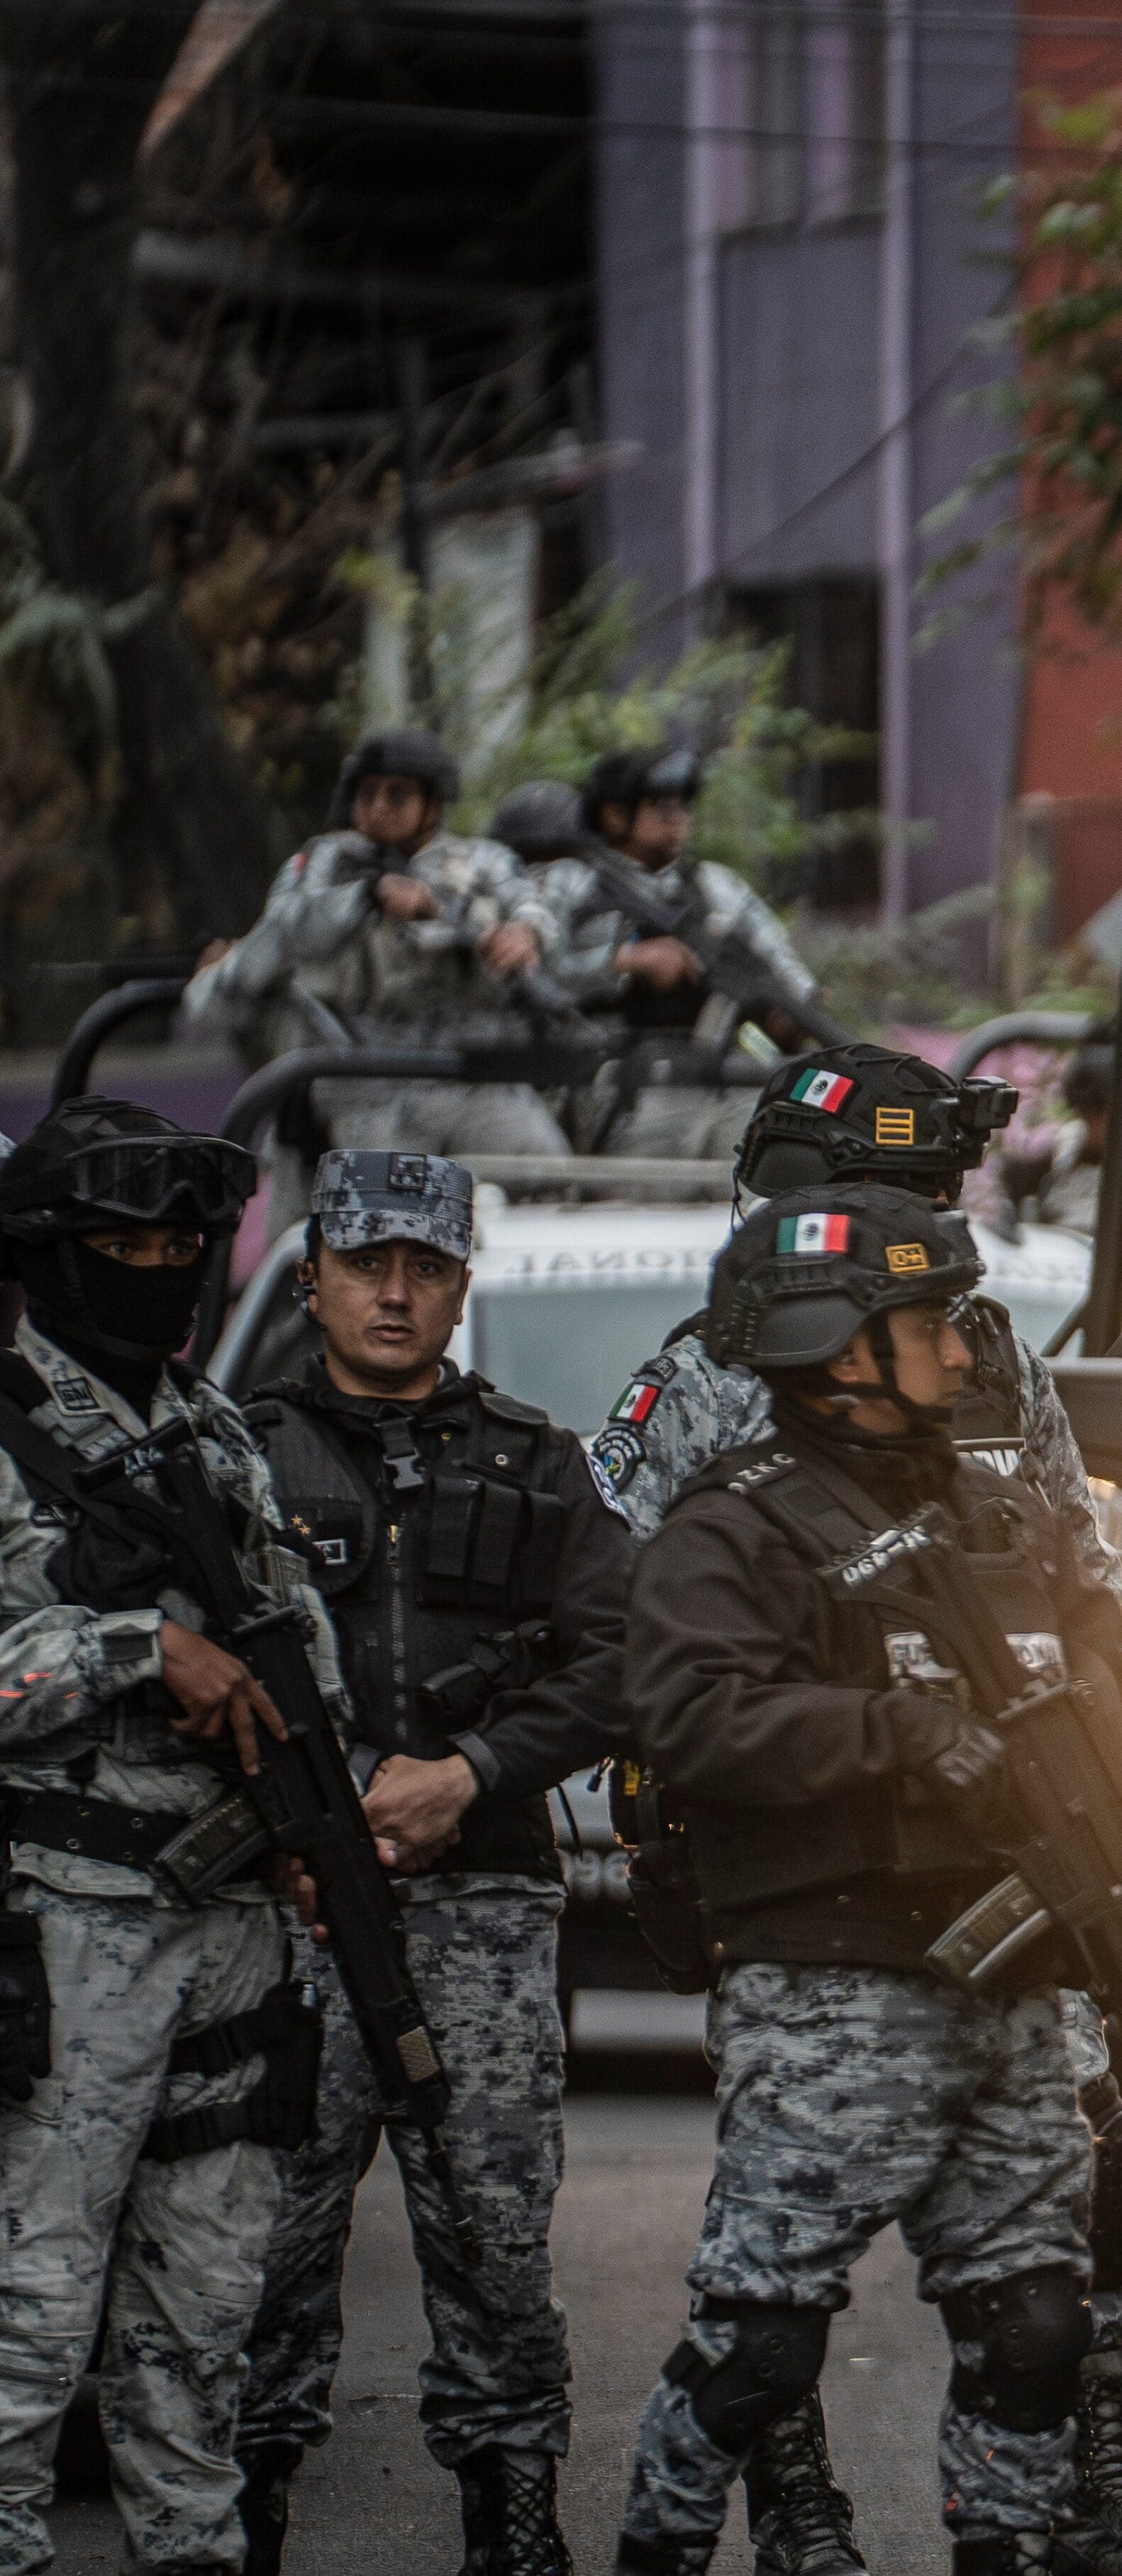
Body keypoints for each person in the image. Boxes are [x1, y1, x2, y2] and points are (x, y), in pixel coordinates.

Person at [588, 1052, 1122, 2576]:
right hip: (819, 1894)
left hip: (1012, 1874)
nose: (934, 1245)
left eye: (940, 1205)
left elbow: (1088, 1577)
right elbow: (628, 1638)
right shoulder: (724, 1374)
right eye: (902, 1206)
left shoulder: (984, 1353)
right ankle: (793, 2514)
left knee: (1083, 2187)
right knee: (781, 2273)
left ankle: (1088, 2495)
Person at [232, 1153, 631, 2576]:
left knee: (496, 2243)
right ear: (313, 1276)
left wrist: (477, 1773)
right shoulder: (234, 1453)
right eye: (367, 1264)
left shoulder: (536, 1460)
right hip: (281, 1923)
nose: (395, 1292)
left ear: (463, 1285)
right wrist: (276, 1819)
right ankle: (241, 2517)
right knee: (260, 2253)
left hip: (482, 1915)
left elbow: (628, 1658)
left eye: (425, 1267)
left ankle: (514, 2523)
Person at [0, 1099, 345, 2576]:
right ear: (55, 1255)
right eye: (124, 1243)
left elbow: (292, 1639)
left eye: (180, 1244)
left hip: (233, 1934)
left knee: (204, 2324)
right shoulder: (10, 1430)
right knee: (30, 2321)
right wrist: (138, 1648)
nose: (158, 1268)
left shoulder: (214, 1429)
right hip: (68, 1931)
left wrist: (311, 1814)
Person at [208, 729, 577, 1160]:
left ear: (434, 804)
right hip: (364, 1082)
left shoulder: (483, 862)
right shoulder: (326, 862)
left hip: (474, 1078)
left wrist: (525, 933)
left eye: (397, 796)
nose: (379, 808)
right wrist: (366, 896)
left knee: (546, 1166)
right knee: (387, 1199)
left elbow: (539, 906)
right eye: (367, 795)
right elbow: (281, 933)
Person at [534, 742, 828, 1160]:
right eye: (660, 804)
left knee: (775, 1163)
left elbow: (780, 963)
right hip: (614, 1082)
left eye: (683, 804)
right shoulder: (570, 882)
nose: (677, 817)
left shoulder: (716, 886)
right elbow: (530, 975)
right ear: (615, 814)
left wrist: (797, 1010)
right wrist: (625, 963)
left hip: (718, 1073)